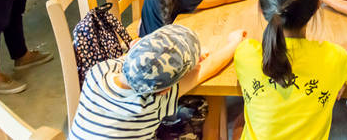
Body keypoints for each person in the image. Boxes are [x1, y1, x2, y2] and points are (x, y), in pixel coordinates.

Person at [234, 0, 347, 140]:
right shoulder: (336, 58)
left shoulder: (245, 53)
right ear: (317, 7)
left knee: (240, 121)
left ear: (262, 8)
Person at [70, 24, 248, 140]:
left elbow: (134, 60)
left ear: (135, 45)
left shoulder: (97, 72)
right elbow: (206, 69)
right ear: (164, 90)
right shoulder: (150, 104)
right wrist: (235, 42)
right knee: (201, 106)